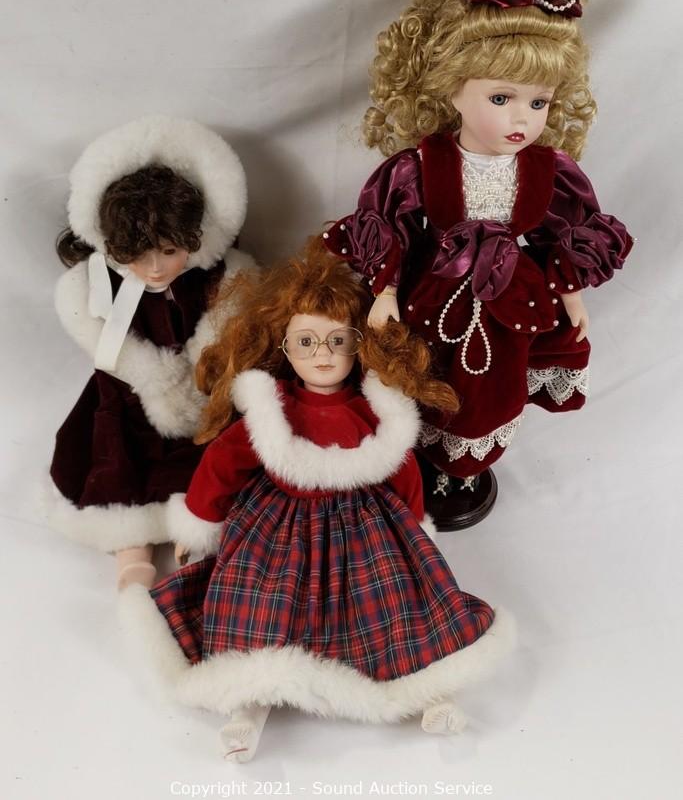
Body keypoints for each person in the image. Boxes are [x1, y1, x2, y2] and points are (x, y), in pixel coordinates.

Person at [119, 239, 514, 761]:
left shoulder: (377, 410)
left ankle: (431, 695)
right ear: (283, 346)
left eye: (336, 341)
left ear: (359, 346)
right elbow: (222, 464)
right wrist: (199, 523)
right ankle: (247, 707)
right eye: (305, 342)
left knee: (400, 607)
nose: (322, 354)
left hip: (366, 531)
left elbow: (404, 471)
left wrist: (417, 531)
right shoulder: (271, 409)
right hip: (276, 531)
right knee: (254, 608)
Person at [324, 0, 633, 529]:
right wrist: (384, 292)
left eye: (538, 102)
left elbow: (567, 233)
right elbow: (389, 224)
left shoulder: (549, 171)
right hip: (431, 290)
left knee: (492, 388)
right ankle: (418, 459)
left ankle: (466, 469)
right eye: (500, 98)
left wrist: (571, 292)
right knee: (424, 375)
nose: (521, 119)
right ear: (452, 90)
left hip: (512, 300)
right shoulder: (421, 165)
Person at [46, 115, 254, 589]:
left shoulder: (217, 278)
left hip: (201, 395)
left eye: (169, 251)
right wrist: (149, 377)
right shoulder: (100, 285)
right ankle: (131, 547)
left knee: (210, 461)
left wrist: (199, 374)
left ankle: (197, 537)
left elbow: (228, 325)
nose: (155, 268)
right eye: (138, 255)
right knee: (118, 458)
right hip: (129, 396)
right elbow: (99, 338)